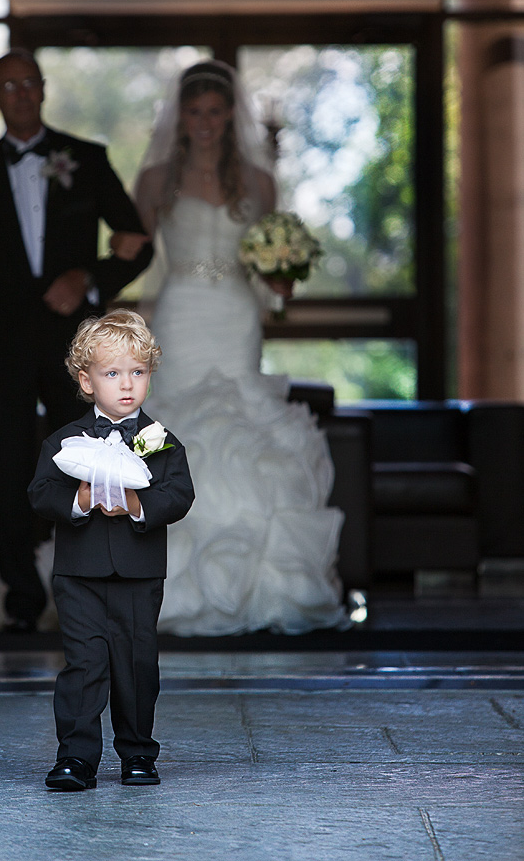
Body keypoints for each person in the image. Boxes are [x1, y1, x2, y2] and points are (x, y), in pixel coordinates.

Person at [124, 59, 346, 636]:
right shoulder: (154, 181)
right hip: (179, 312)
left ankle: (261, 587)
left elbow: (275, 271)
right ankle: (162, 584)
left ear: (230, 116)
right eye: (195, 112)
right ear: (180, 117)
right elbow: (130, 255)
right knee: (177, 429)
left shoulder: (258, 180)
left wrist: (281, 280)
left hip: (236, 317)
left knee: (241, 423)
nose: (205, 122)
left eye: (215, 112)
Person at [0, 51, 153, 632]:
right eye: (7, 86)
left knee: (87, 465)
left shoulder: (86, 159)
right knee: (7, 470)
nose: (21, 93)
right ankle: (21, 598)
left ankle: (85, 591)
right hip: (0, 347)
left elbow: (139, 241)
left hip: (76, 348)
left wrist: (88, 280)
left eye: (29, 82)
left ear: (43, 89)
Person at [28, 310, 194, 791]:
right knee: (84, 665)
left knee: (137, 664)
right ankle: (76, 758)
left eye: (137, 373)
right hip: (79, 574)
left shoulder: (161, 444)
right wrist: (78, 499)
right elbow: (40, 494)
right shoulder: (65, 441)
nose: (127, 385)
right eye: (113, 373)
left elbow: (179, 495)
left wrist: (138, 504)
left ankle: (139, 754)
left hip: (139, 575)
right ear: (86, 380)